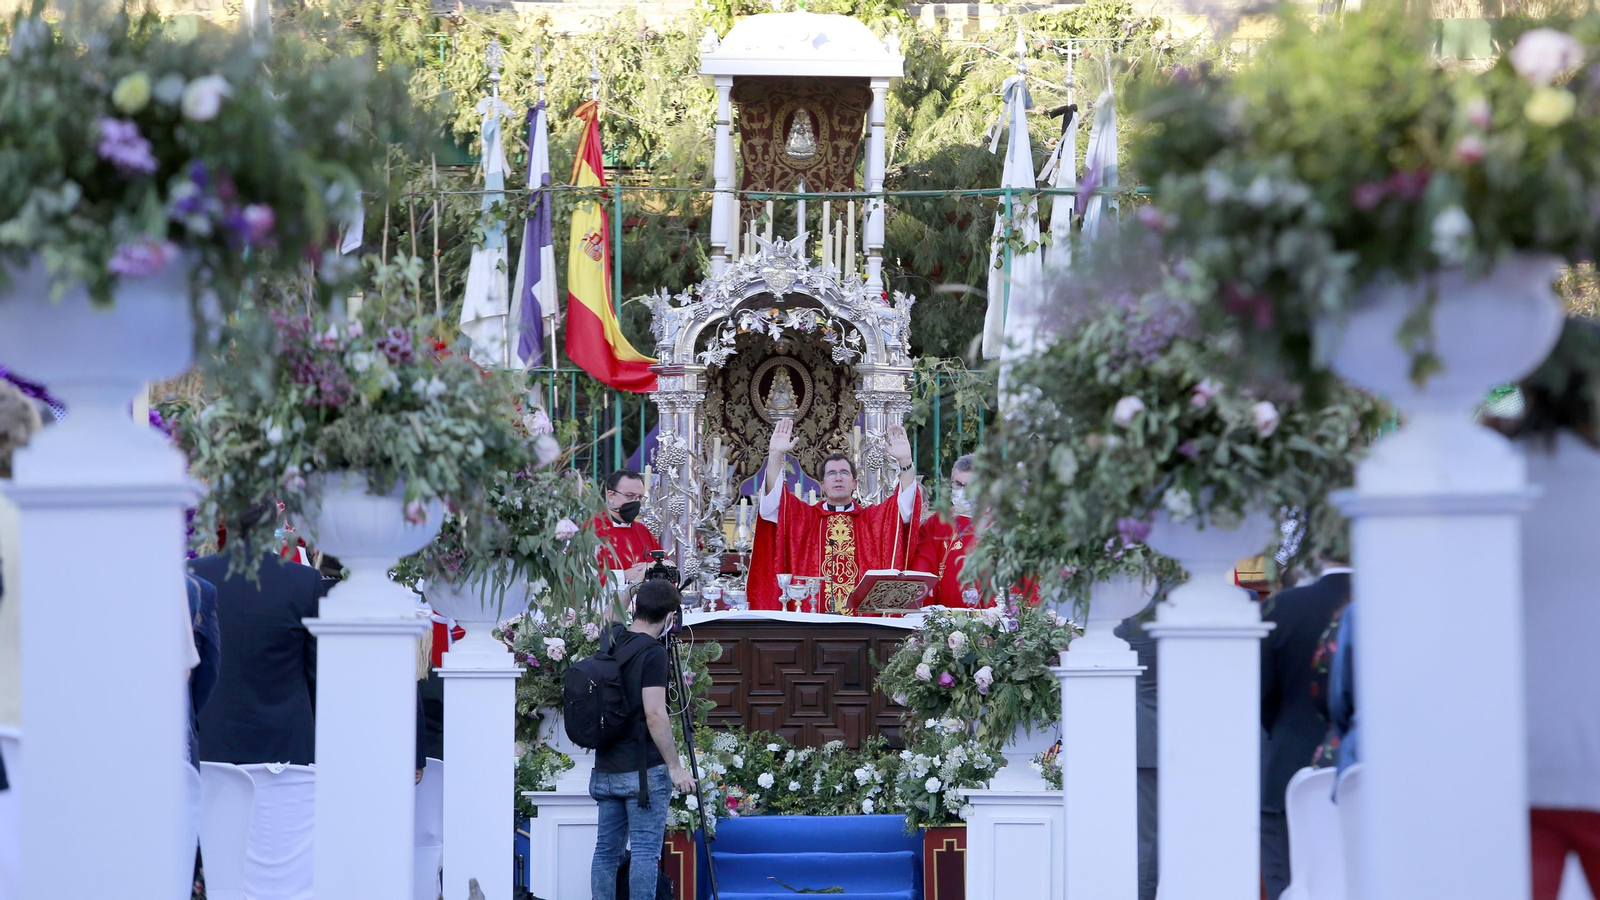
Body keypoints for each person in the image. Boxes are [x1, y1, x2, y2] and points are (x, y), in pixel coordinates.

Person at [192, 502, 331, 766]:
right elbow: (316, 675)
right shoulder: (304, 581)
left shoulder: (196, 575)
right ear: (273, 523)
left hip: (213, 742)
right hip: (285, 747)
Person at [590, 579, 697, 900]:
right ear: (669, 619)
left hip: (606, 767)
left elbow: (608, 614)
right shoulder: (653, 654)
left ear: (636, 608)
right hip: (643, 774)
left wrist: (632, 587)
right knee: (645, 853)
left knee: (606, 852)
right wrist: (676, 767)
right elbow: (655, 713)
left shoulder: (613, 638)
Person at [748, 421, 921, 613]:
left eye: (844, 473)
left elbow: (904, 509)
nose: (838, 478)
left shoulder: (872, 520)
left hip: (861, 622)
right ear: (822, 485)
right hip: (812, 622)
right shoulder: (805, 519)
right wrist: (775, 455)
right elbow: (772, 505)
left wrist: (905, 461)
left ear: (855, 483)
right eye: (832, 473)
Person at [1258, 557, 1352, 900]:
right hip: (1370, 765)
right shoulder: (1388, 600)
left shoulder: (1283, 606)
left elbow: (1262, 691)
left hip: (1290, 755)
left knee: (1288, 876)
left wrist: (1281, 727)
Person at [911, 455, 988, 608]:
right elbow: (923, 560)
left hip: (988, 618)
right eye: (958, 485)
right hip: (944, 618)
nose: (963, 492)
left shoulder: (996, 524)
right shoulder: (937, 522)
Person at [593, 469, 663, 589]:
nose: (636, 502)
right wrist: (623, 576)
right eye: (630, 496)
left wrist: (651, 567)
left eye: (639, 497)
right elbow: (581, 578)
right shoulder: (591, 529)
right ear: (611, 496)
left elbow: (664, 562)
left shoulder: (642, 530)